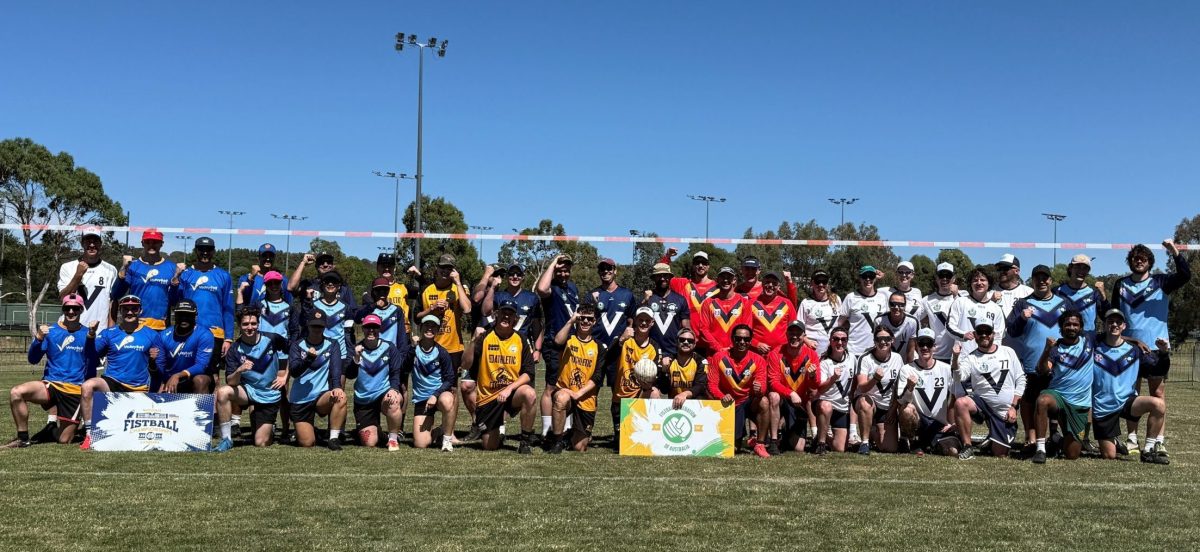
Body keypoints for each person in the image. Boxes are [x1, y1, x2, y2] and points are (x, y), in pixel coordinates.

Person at [1111, 240, 1190, 457]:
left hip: (1156, 349)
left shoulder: (1161, 282)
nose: (1139, 261)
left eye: (1143, 258)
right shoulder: (1121, 284)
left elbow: (1184, 275)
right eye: (1135, 258)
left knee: (1157, 394)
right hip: (1127, 348)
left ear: (1149, 262)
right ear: (1130, 262)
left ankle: (1157, 441)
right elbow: (1114, 316)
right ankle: (1132, 439)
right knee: (1131, 394)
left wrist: (1174, 251)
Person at [3, 295, 99, 448]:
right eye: (67, 308)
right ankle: (23, 438)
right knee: (17, 392)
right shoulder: (51, 332)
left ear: (81, 310)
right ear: (63, 309)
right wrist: (38, 339)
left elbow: (92, 362)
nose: (71, 311)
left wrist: (92, 338)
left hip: (74, 389)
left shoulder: (88, 333)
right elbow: (33, 359)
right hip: (51, 384)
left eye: (75, 308)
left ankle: (56, 431)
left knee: (63, 440)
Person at [79, 295, 164, 450]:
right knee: (87, 386)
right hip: (112, 382)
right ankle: (90, 435)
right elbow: (90, 355)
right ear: (120, 311)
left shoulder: (152, 335)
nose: (130, 312)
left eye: (134, 308)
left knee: (133, 437)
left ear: (140, 310)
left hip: (138, 388)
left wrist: (153, 362)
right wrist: (91, 335)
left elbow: (160, 370)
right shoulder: (109, 333)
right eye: (126, 309)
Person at [1093, 309, 1168, 464]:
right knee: (1109, 456)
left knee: (1159, 405)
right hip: (1103, 407)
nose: (1114, 324)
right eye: (1110, 321)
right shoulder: (1093, 348)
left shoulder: (1135, 351)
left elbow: (1156, 370)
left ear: (1124, 326)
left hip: (1127, 402)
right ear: (1105, 325)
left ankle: (1148, 450)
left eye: (1118, 322)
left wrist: (1164, 353)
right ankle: (1114, 441)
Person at [1005, 264, 1067, 449]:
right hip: (1032, 360)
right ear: (1032, 281)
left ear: (1051, 280)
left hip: (1059, 362)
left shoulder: (1063, 303)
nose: (1042, 281)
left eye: (1045, 278)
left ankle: (1056, 435)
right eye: (1037, 278)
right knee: (1030, 399)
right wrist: (1022, 318)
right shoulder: (1023, 303)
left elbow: (1074, 328)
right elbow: (1012, 331)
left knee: (1057, 399)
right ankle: (1031, 437)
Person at [213, 307, 290, 450]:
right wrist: (239, 370)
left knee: (261, 442)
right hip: (248, 391)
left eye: (253, 324)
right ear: (239, 326)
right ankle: (226, 439)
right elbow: (231, 382)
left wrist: (285, 376)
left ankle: (266, 425)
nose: (250, 328)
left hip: (269, 394)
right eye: (245, 324)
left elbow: (294, 350)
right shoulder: (235, 349)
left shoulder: (272, 338)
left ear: (258, 324)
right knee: (223, 392)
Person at [469, 300, 538, 453]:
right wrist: (473, 342)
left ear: (515, 318)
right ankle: (497, 432)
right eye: (503, 313)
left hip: (511, 394)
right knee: (489, 446)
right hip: (489, 397)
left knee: (529, 393)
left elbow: (529, 373)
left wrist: (509, 389)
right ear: (496, 315)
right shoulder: (485, 336)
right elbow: (466, 365)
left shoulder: (520, 339)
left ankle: (525, 441)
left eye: (510, 314)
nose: (506, 317)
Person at [952, 321, 1024, 460]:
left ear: (994, 334)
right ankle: (967, 446)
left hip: (1005, 411)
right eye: (980, 332)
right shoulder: (971, 358)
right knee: (961, 403)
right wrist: (955, 358)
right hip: (982, 405)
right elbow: (958, 377)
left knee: (1000, 454)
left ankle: (992, 441)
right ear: (974, 335)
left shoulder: (1008, 352)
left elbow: (1020, 380)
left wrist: (1014, 407)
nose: (984, 335)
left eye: (987, 332)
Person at [417, 254, 472, 436]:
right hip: (431, 348)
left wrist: (457, 283)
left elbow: (467, 309)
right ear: (436, 268)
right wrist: (432, 308)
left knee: (453, 390)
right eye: (442, 267)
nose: (445, 271)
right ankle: (428, 425)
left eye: (449, 269)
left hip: (453, 348)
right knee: (430, 385)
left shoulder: (458, 289)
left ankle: (450, 432)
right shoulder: (427, 290)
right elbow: (418, 317)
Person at [170, 236, 234, 389]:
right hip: (189, 333)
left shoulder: (223, 276)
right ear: (196, 251)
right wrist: (175, 280)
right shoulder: (186, 274)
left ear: (213, 252)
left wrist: (229, 338)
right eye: (201, 250)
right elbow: (174, 302)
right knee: (186, 374)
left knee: (214, 377)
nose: (205, 253)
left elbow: (228, 308)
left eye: (208, 250)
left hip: (215, 334)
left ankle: (212, 413)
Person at [1031, 310, 1093, 464]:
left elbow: (1113, 338)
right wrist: (1046, 349)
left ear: (1080, 327)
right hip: (1058, 395)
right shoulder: (1055, 347)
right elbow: (1043, 370)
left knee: (1072, 454)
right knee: (1043, 400)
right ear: (1061, 327)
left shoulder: (1089, 341)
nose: (1071, 327)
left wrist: (1136, 341)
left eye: (1075, 324)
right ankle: (1040, 449)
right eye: (1067, 324)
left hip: (1079, 403)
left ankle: (1056, 442)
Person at [548, 304, 606, 453]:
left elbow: (598, 377)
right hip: (566, 390)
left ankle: (569, 435)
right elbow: (556, 342)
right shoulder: (569, 339)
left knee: (580, 447)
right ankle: (557, 441)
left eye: (589, 319)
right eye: (582, 318)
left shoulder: (599, 347)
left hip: (585, 396)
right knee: (561, 398)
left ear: (594, 322)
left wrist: (579, 394)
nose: (585, 321)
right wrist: (570, 322)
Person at [589, 258, 636, 438]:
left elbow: (632, 320)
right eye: (602, 268)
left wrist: (626, 337)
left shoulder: (627, 294)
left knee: (620, 393)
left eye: (609, 268)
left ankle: (620, 432)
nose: (606, 271)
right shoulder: (593, 294)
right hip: (598, 353)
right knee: (592, 391)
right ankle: (586, 430)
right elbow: (586, 320)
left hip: (619, 352)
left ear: (615, 271)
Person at [287, 310, 347, 451]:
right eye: (314, 326)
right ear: (308, 325)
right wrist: (308, 359)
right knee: (307, 443)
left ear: (325, 326)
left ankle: (333, 438)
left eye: (320, 326)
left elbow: (335, 369)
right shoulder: (297, 345)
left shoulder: (332, 344)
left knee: (340, 396)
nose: (316, 329)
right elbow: (294, 372)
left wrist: (337, 386)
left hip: (321, 397)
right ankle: (313, 432)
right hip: (300, 400)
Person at [707, 324, 769, 457]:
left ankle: (760, 444)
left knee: (763, 401)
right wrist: (721, 396)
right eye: (738, 338)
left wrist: (759, 390)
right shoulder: (719, 357)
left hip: (748, 403)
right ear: (732, 339)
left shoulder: (758, 360)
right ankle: (737, 438)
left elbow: (762, 385)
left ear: (750, 341)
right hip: (728, 404)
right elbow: (711, 385)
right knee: (734, 449)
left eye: (746, 339)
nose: (742, 342)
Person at [536, 254, 579, 443]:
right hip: (554, 342)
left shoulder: (572, 287)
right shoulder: (551, 287)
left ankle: (566, 426)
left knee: (568, 385)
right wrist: (553, 263)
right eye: (560, 269)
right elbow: (540, 288)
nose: (563, 273)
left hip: (571, 343)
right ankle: (547, 428)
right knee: (551, 387)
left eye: (566, 269)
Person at [895, 328, 958, 457]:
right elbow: (901, 401)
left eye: (928, 344)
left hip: (939, 424)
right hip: (919, 421)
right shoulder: (907, 369)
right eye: (921, 344)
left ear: (934, 347)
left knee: (953, 452)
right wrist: (909, 388)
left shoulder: (945, 369)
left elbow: (956, 394)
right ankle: (911, 441)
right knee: (907, 409)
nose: (924, 348)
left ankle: (931, 444)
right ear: (916, 346)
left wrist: (953, 423)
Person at [349, 314, 407, 450]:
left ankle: (393, 439)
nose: (371, 330)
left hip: (383, 393)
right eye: (368, 327)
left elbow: (395, 372)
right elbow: (350, 375)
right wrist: (356, 358)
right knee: (369, 442)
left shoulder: (389, 347)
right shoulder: (357, 349)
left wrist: (394, 388)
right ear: (363, 329)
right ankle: (380, 433)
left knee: (394, 400)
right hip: (364, 400)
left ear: (379, 329)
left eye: (374, 327)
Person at [610, 307, 663, 446]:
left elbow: (657, 376)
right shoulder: (625, 340)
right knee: (621, 443)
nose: (644, 323)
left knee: (655, 393)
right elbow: (607, 358)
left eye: (647, 320)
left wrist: (649, 384)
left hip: (641, 395)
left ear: (652, 323)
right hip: (621, 397)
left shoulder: (655, 347)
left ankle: (652, 430)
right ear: (635, 322)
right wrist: (621, 339)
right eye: (640, 320)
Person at [766, 321, 819, 455]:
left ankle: (785, 432)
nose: (794, 336)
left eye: (798, 333)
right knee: (773, 396)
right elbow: (773, 382)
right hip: (783, 399)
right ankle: (773, 440)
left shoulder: (811, 355)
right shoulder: (776, 353)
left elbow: (815, 386)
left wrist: (812, 376)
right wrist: (790, 393)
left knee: (799, 448)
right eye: (791, 333)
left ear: (804, 336)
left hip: (799, 403)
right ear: (786, 334)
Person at [405, 315, 457, 451]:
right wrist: (412, 347)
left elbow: (450, 379)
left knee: (447, 399)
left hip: (438, 396)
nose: (429, 329)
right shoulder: (413, 349)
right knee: (421, 444)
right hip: (421, 399)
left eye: (433, 326)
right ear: (421, 328)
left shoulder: (442, 352)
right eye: (426, 325)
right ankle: (438, 431)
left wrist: (435, 394)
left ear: (438, 330)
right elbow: (404, 368)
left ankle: (447, 439)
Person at [853, 326, 905, 455]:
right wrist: (875, 379)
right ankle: (864, 442)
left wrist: (893, 410)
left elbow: (900, 388)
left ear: (892, 340)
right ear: (874, 341)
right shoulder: (865, 358)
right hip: (870, 402)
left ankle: (873, 430)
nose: (883, 342)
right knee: (865, 402)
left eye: (886, 339)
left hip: (887, 406)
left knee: (889, 448)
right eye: (879, 339)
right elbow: (862, 387)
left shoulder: (897, 358)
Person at [112, 229, 172, 330]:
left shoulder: (171, 268)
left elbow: (175, 299)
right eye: (148, 242)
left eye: (155, 242)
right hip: (136, 326)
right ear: (142, 243)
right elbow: (116, 294)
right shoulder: (132, 266)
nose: (151, 245)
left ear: (161, 244)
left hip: (161, 327)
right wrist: (123, 270)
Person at [58, 231, 118, 331]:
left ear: (101, 244)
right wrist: (78, 275)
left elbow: (113, 303)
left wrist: (110, 332)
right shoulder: (67, 267)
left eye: (95, 242)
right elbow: (63, 297)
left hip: (99, 332)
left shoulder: (110, 270)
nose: (92, 245)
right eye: (88, 242)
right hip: (70, 330)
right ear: (82, 244)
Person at [153, 299, 215, 394]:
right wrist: (152, 364)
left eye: (188, 315)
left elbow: (201, 365)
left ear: (195, 316)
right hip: (171, 379)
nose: (184, 318)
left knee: (200, 380)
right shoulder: (162, 336)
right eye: (180, 315)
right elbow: (160, 366)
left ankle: (201, 407)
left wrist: (178, 375)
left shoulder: (205, 335)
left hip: (194, 378)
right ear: (175, 315)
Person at [813, 326, 856, 454]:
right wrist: (833, 378)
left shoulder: (852, 358)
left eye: (843, 340)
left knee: (840, 448)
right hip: (824, 405)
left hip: (842, 408)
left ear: (847, 342)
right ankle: (821, 443)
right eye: (836, 339)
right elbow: (820, 389)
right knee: (826, 406)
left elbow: (854, 383)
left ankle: (824, 435)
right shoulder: (824, 362)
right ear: (830, 341)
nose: (840, 342)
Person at [695, 267, 752, 356]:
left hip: (737, 353)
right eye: (722, 277)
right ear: (717, 280)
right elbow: (703, 329)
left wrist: (733, 348)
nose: (725, 280)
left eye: (728, 277)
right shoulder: (708, 302)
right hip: (714, 354)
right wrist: (718, 349)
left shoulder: (744, 302)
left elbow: (747, 329)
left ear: (734, 280)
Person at [947, 267, 1006, 355]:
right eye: (975, 280)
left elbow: (998, 336)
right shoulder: (960, 302)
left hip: (986, 359)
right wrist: (963, 335)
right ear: (970, 284)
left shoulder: (996, 309)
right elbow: (949, 326)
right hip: (963, 357)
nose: (979, 283)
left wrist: (993, 355)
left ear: (989, 283)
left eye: (982, 280)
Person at [836, 265, 888, 359]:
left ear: (875, 278)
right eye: (864, 276)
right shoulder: (851, 297)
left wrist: (883, 276)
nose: (868, 279)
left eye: (871, 276)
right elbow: (839, 323)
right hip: (855, 350)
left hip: (878, 350)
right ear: (860, 278)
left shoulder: (883, 297)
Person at [644, 263, 690, 362]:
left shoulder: (680, 299)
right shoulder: (647, 298)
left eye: (665, 275)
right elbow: (639, 323)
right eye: (659, 276)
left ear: (670, 277)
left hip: (674, 352)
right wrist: (644, 302)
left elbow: (686, 328)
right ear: (654, 278)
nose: (662, 278)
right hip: (650, 351)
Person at [1054, 254, 1106, 340]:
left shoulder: (1094, 294)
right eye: (1078, 266)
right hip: (1064, 345)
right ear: (1070, 268)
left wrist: (1104, 297)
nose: (1081, 271)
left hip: (1088, 345)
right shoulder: (1057, 292)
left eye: (1085, 268)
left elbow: (1106, 317)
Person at [660, 249, 718, 323]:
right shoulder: (683, 284)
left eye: (704, 263)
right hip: (687, 332)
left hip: (708, 333)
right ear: (693, 266)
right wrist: (667, 256)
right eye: (697, 263)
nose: (700, 265)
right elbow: (662, 274)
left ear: (708, 266)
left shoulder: (718, 287)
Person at [921, 262, 962, 363]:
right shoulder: (927, 300)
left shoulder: (964, 297)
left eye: (948, 275)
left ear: (954, 278)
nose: (944, 279)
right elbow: (913, 320)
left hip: (959, 355)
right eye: (941, 275)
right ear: (936, 278)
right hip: (936, 355)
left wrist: (957, 295)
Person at [749, 271, 797, 357]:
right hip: (757, 354)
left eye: (774, 283)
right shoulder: (751, 303)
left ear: (779, 286)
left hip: (781, 354)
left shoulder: (787, 304)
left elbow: (794, 331)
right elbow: (744, 330)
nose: (770, 285)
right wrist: (756, 344)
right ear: (762, 284)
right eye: (767, 282)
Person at [658, 328, 708, 408]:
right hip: (674, 404)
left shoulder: (701, 361)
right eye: (682, 340)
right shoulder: (668, 361)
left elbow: (701, 386)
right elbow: (664, 390)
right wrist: (664, 371)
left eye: (690, 341)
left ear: (694, 344)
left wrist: (684, 394)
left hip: (695, 404)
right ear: (677, 342)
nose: (686, 342)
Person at [356, 277, 409, 349]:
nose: (382, 292)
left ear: (389, 290)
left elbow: (401, 335)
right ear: (373, 291)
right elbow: (357, 318)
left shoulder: (396, 310)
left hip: (392, 353)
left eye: (385, 289)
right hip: (373, 352)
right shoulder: (369, 309)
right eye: (378, 290)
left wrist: (401, 355)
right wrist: (374, 305)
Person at [798, 268, 840, 355]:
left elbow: (842, 321)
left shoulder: (836, 299)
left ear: (827, 284)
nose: (821, 284)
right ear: (812, 283)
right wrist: (807, 341)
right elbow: (799, 327)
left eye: (824, 281)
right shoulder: (806, 303)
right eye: (817, 281)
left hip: (833, 350)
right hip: (813, 350)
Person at [237, 243, 292, 308]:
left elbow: (289, 304)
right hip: (252, 316)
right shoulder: (245, 278)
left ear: (274, 258)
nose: (268, 259)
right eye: (264, 256)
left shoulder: (282, 279)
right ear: (259, 257)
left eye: (271, 256)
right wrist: (251, 278)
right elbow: (242, 300)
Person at [875, 291, 919, 363]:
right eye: (893, 304)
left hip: (905, 360)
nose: (896, 307)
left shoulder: (912, 322)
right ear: (888, 304)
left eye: (900, 305)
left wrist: (909, 369)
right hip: (885, 360)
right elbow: (878, 345)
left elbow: (911, 350)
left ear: (905, 305)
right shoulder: (879, 320)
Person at [992, 254, 1033, 322]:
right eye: (999, 268)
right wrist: (990, 302)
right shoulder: (990, 292)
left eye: (1005, 268)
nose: (1001, 271)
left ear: (1016, 271)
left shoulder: (1029, 292)